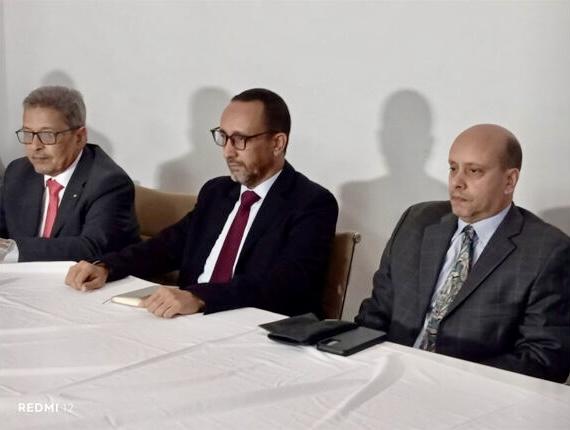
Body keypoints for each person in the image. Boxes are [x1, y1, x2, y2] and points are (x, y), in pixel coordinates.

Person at [65, 88, 338, 318]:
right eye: (223, 137)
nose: (227, 151)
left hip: (251, 328)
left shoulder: (312, 203)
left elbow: (286, 284)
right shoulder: (217, 192)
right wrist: (106, 266)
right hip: (189, 322)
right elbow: (166, 247)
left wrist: (200, 297)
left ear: (277, 143)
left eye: (239, 140)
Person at [356, 124, 570, 383]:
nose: (457, 182)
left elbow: (543, 359)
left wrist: (450, 380)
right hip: (385, 375)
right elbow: (375, 315)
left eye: (474, 171)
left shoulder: (547, 251)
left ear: (509, 180)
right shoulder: (417, 220)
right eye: (453, 168)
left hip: (468, 392)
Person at [0, 86, 140, 262]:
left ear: (79, 137)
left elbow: (92, 248)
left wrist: (11, 250)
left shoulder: (108, 183)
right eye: (28, 133)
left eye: (47, 135)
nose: (35, 146)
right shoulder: (19, 172)